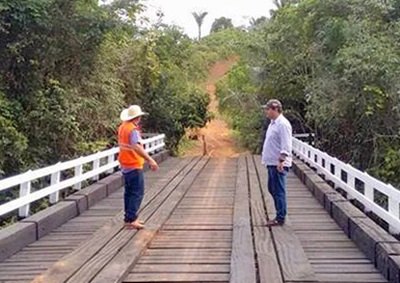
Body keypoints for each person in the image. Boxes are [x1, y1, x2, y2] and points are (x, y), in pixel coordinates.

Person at [118, 105, 159, 229]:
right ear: (138, 117)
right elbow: (136, 146)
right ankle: (132, 219)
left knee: (128, 192)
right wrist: (150, 160)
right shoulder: (133, 130)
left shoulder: (122, 127)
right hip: (134, 164)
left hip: (124, 164)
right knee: (137, 192)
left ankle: (128, 218)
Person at [261, 99, 293, 227]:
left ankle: (280, 217)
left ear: (275, 109)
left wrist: (281, 160)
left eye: (268, 109)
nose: (266, 112)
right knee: (272, 188)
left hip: (278, 164)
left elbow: (286, 144)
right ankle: (280, 212)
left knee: (279, 190)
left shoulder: (282, 124)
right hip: (271, 162)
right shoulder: (273, 123)